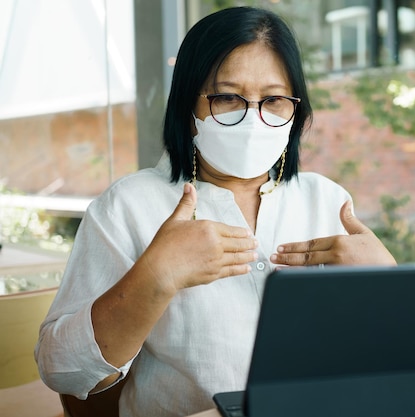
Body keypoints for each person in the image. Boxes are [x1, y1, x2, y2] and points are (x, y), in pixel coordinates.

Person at [35, 6, 396, 417]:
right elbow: (62, 371)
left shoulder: (328, 201)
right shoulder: (129, 206)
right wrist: (156, 277)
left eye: (274, 100)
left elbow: (388, 358)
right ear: (188, 104)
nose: (253, 118)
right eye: (227, 97)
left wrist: (389, 286)